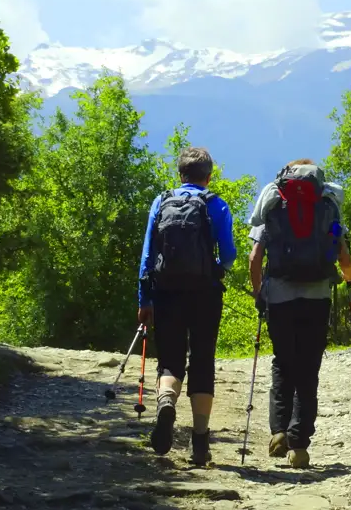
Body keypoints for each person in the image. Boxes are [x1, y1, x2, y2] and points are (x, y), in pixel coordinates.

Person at [248, 158, 351, 469]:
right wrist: (349, 279)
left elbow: (255, 258)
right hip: (318, 295)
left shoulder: (274, 201)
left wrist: (259, 293)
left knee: (283, 362)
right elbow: (343, 256)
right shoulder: (327, 203)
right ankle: (300, 445)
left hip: (279, 296)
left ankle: (279, 431)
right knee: (309, 368)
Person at [138, 146, 236, 466]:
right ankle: (200, 443)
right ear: (209, 176)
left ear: (180, 174)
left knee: (170, 360)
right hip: (206, 293)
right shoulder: (217, 205)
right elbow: (230, 255)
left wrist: (145, 299)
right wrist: (217, 265)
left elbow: (147, 257)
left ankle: (166, 402)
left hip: (166, 292)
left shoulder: (161, 201)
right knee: (203, 360)